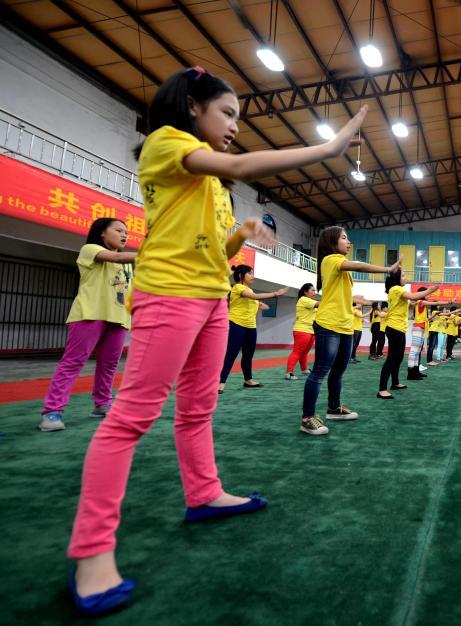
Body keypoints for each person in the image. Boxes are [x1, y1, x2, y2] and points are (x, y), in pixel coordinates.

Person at [67, 67, 367, 615]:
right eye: (227, 113)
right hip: (169, 294)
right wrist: (328, 146)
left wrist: (241, 234)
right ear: (191, 108)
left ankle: (203, 493)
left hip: (209, 298)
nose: (234, 126)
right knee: (131, 417)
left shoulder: (211, 182)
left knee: (199, 407)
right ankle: (91, 552)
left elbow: (216, 250)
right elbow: (235, 163)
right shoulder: (166, 144)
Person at [38, 218, 136, 432]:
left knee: (109, 365)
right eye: (119, 230)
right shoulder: (90, 249)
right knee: (72, 363)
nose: (124, 234)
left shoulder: (128, 264)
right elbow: (117, 257)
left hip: (119, 317)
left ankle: (102, 405)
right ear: (102, 233)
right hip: (90, 314)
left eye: (126, 232)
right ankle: (52, 412)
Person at [302, 226, 392, 435]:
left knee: (339, 370)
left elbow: (335, 294)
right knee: (320, 371)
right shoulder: (331, 259)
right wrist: (387, 269)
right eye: (344, 238)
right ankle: (307, 417)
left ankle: (334, 408)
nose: (348, 242)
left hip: (344, 325)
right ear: (332, 242)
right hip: (329, 324)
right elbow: (359, 265)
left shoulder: (338, 265)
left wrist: (354, 299)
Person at [218, 264, 287, 392]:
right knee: (231, 354)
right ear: (240, 275)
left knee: (248, 355)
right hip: (236, 324)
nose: (252, 276)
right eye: (250, 273)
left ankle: (248, 380)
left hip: (251, 327)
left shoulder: (250, 291)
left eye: (252, 273)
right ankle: (221, 382)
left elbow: (259, 303)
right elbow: (254, 298)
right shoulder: (237, 287)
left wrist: (260, 305)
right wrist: (276, 293)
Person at [378, 271, 439, 396]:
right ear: (397, 279)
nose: (406, 278)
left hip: (399, 329)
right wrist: (429, 291)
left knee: (398, 358)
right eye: (403, 276)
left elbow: (411, 301)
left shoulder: (397, 291)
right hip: (394, 328)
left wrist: (419, 300)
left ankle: (395, 383)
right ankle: (382, 389)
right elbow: (412, 296)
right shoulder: (396, 289)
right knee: (391, 359)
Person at [285, 283, 318, 380]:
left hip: (310, 330)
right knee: (297, 352)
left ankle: (304, 369)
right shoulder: (304, 300)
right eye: (312, 290)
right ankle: (289, 373)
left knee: (305, 352)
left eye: (315, 290)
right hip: (302, 330)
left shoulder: (310, 301)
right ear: (305, 292)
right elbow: (320, 304)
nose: (314, 292)